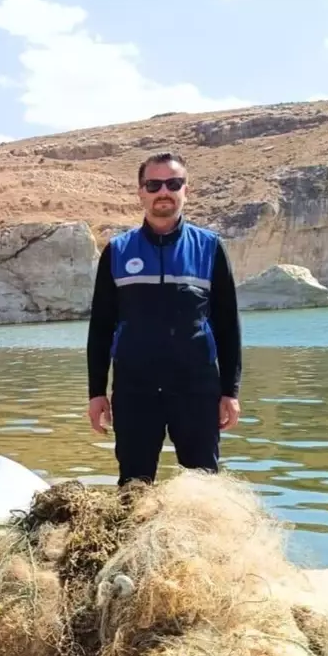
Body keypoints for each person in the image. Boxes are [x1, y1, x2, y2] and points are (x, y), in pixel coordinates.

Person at [86, 152, 242, 486]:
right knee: (134, 488)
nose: (163, 192)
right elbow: (100, 327)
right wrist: (96, 392)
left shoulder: (210, 248)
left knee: (204, 487)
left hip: (197, 390)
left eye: (173, 184)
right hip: (134, 391)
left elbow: (228, 326)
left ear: (187, 189)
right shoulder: (117, 251)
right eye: (153, 185)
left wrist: (230, 391)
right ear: (140, 192)